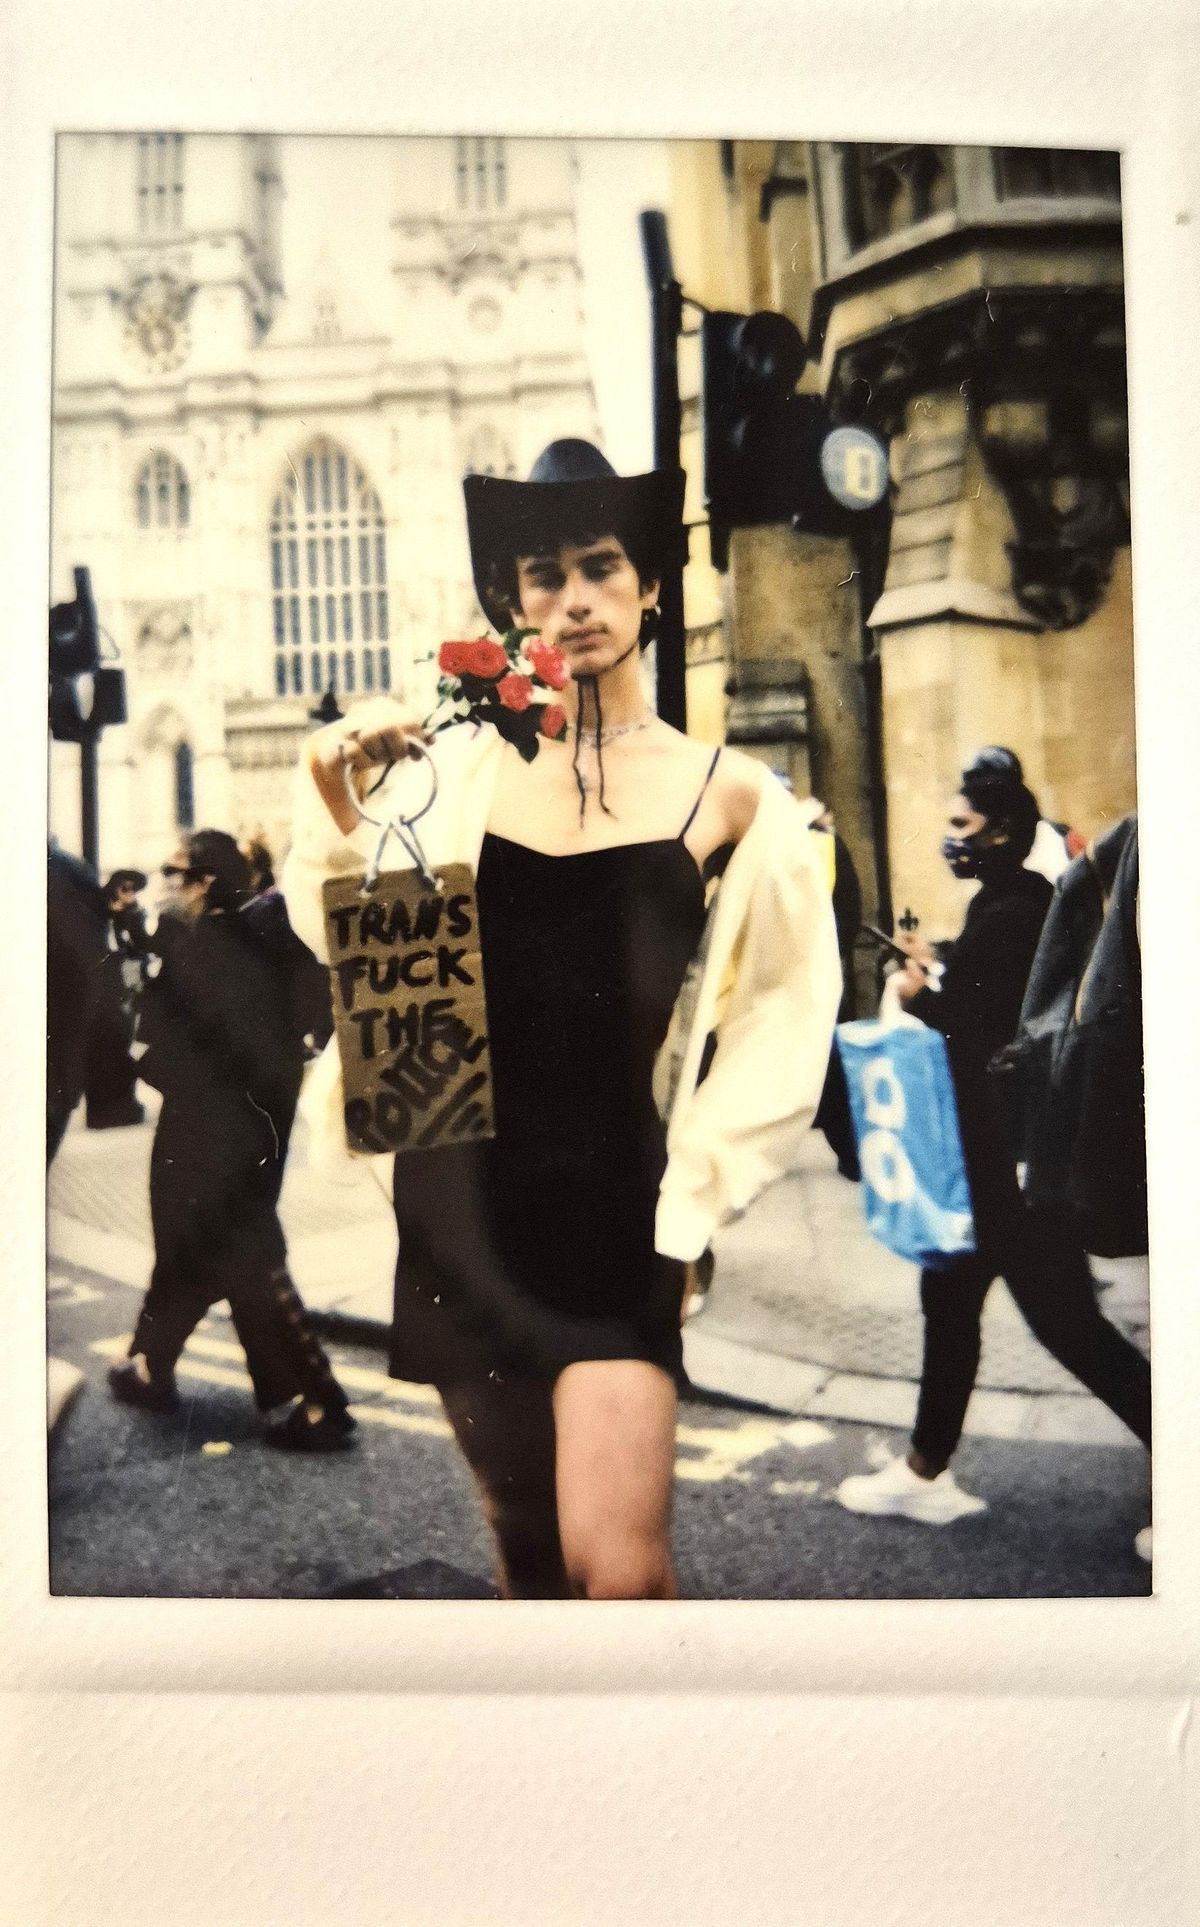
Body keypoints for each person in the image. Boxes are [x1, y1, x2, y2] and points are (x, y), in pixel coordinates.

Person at [282, 438, 842, 1598]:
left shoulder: (735, 796)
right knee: (526, 1551)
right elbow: (355, 946)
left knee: (621, 1574)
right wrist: (337, 788)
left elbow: (787, 1013)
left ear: (650, 585)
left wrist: (697, 1197)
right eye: (545, 575)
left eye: (601, 567)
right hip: (460, 1199)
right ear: (514, 601)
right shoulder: (449, 773)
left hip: (618, 1213)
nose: (575, 599)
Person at [835, 765, 1151, 1526]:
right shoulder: (1016, 900)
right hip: (991, 1159)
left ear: (1003, 830)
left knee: (1065, 1323)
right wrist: (941, 959)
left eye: (963, 825)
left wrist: (922, 996)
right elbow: (993, 988)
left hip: (1007, 1162)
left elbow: (988, 1030)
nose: (951, 839)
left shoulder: (1014, 909)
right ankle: (924, 1469)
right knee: (951, 1299)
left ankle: (1185, 1462)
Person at [108, 829, 356, 1450]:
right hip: (250, 1129)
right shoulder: (254, 943)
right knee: (193, 1248)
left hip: (205, 1131)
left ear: (204, 883)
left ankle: (321, 1402)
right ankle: (151, 1365)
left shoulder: (203, 950)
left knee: (242, 1255)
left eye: (173, 872)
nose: (163, 883)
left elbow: (159, 1053)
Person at [84, 868, 151, 1129]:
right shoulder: (96, 912)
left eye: (133, 890)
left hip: (122, 987)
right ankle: (103, 1109)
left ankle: (123, 1104)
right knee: (103, 1048)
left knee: (121, 1044)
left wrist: (132, 915)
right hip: (101, 989)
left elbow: (140, 946)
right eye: (124, 888)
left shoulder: (129, 916)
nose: (128, 895)